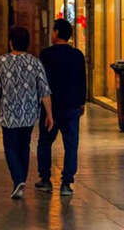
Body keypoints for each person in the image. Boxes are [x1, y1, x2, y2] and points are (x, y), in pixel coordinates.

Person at [0, 26, 54, 200]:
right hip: (29, 114)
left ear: (10, 43)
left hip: (9, 114)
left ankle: (18, 180)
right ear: (28, 43)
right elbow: (45, 90)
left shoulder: (2, 62)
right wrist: (49, 115)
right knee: (24, 146)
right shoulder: (35, 62)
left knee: (10, 147)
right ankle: (21, 181)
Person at [35, 18, 87, 197]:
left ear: (56, 33)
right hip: (72, 107)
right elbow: (82, 80)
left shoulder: (46, 55)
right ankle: (66, 183)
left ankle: (45, 179)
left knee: (45, 142)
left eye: (52, 31)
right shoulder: (78, 55)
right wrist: (81, 103)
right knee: (71, 145)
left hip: (51, 107)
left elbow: (41, 82)